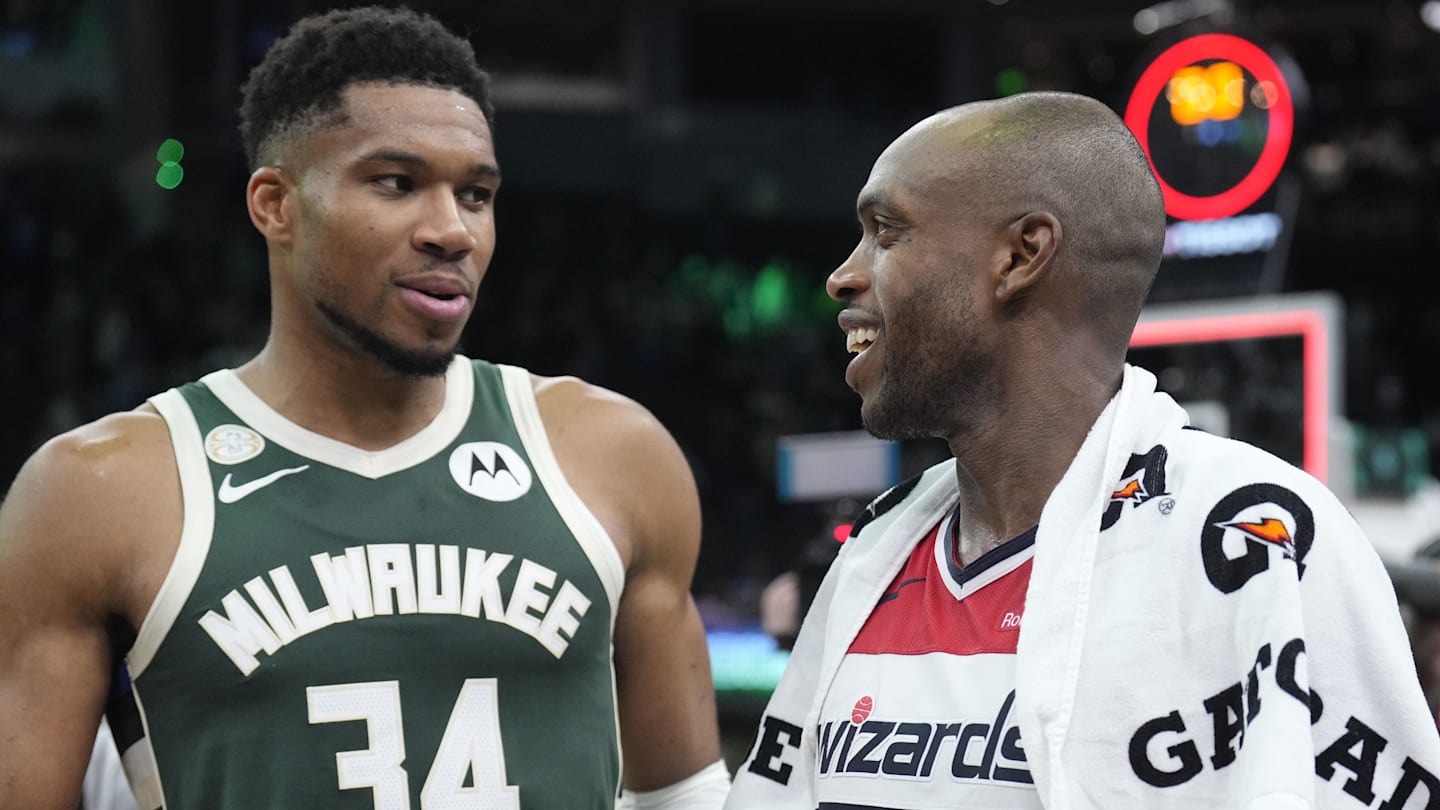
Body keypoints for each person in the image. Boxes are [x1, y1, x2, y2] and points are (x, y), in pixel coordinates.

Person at [0, 7, 728, 809]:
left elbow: (684, 798)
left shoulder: (613, 453)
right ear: (275, 204)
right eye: (398, 183)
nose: (452, 231)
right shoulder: (99, 491)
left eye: (477, 194)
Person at [725, 91, 1440, 809]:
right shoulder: (875, 554)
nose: (843, 275)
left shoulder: (1256, 536)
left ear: (1021, 255)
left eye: (885, 232)